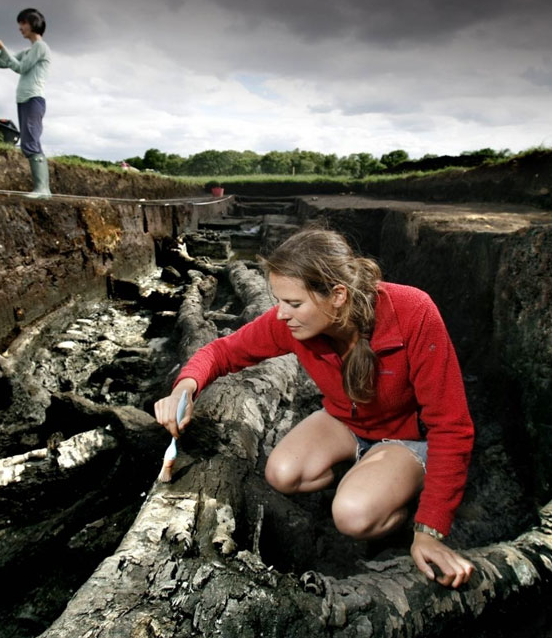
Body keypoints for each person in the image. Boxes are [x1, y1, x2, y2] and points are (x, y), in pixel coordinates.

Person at [154, 229, 475, 588]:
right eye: (278, 301)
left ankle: (397, 496)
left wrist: (430, 528)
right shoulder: (293, 324)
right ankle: (365, 475)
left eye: (293, 303)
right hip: (346, 420)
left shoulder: (413, 311)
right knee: (283, 473)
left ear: (337, 295)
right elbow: (221, 351)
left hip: (405, 437)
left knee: (352, 516)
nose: (280, 315)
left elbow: (452, 427)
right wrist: (186, 386)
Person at [0, 8, 52, 198]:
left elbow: (20, 67)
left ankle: (43, 189)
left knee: (30, 141)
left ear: (33, 24)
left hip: (33, 99)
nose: (20, 28)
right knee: (28, 142)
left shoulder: (40, 47)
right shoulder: (30, 50)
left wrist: (2, 46)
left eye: (23, 23)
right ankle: (42, 189)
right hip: (24, 100)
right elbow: (5, 63)